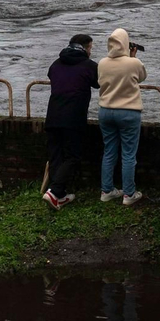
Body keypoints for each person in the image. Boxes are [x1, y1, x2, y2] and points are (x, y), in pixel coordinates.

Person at [43, 33, 97, 209]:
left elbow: (52, 75)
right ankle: (55, 191)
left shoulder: (56, 64)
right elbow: (98, 83)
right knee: (73, 156)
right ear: (85, 48)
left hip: (52, 116)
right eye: (90, 48)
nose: (91, 51)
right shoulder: (89, 65)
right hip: (73, 117)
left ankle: (57, 195)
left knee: (56, 155)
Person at [97, 28, 147, 206]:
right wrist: (132, 57)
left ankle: (106, 190)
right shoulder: (133, 63)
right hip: (128, 112)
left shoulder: (102, 63)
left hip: (105, 111)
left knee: (109, 151)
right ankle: (128, 194)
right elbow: (141, 77)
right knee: (128, 154)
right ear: (126, 43)